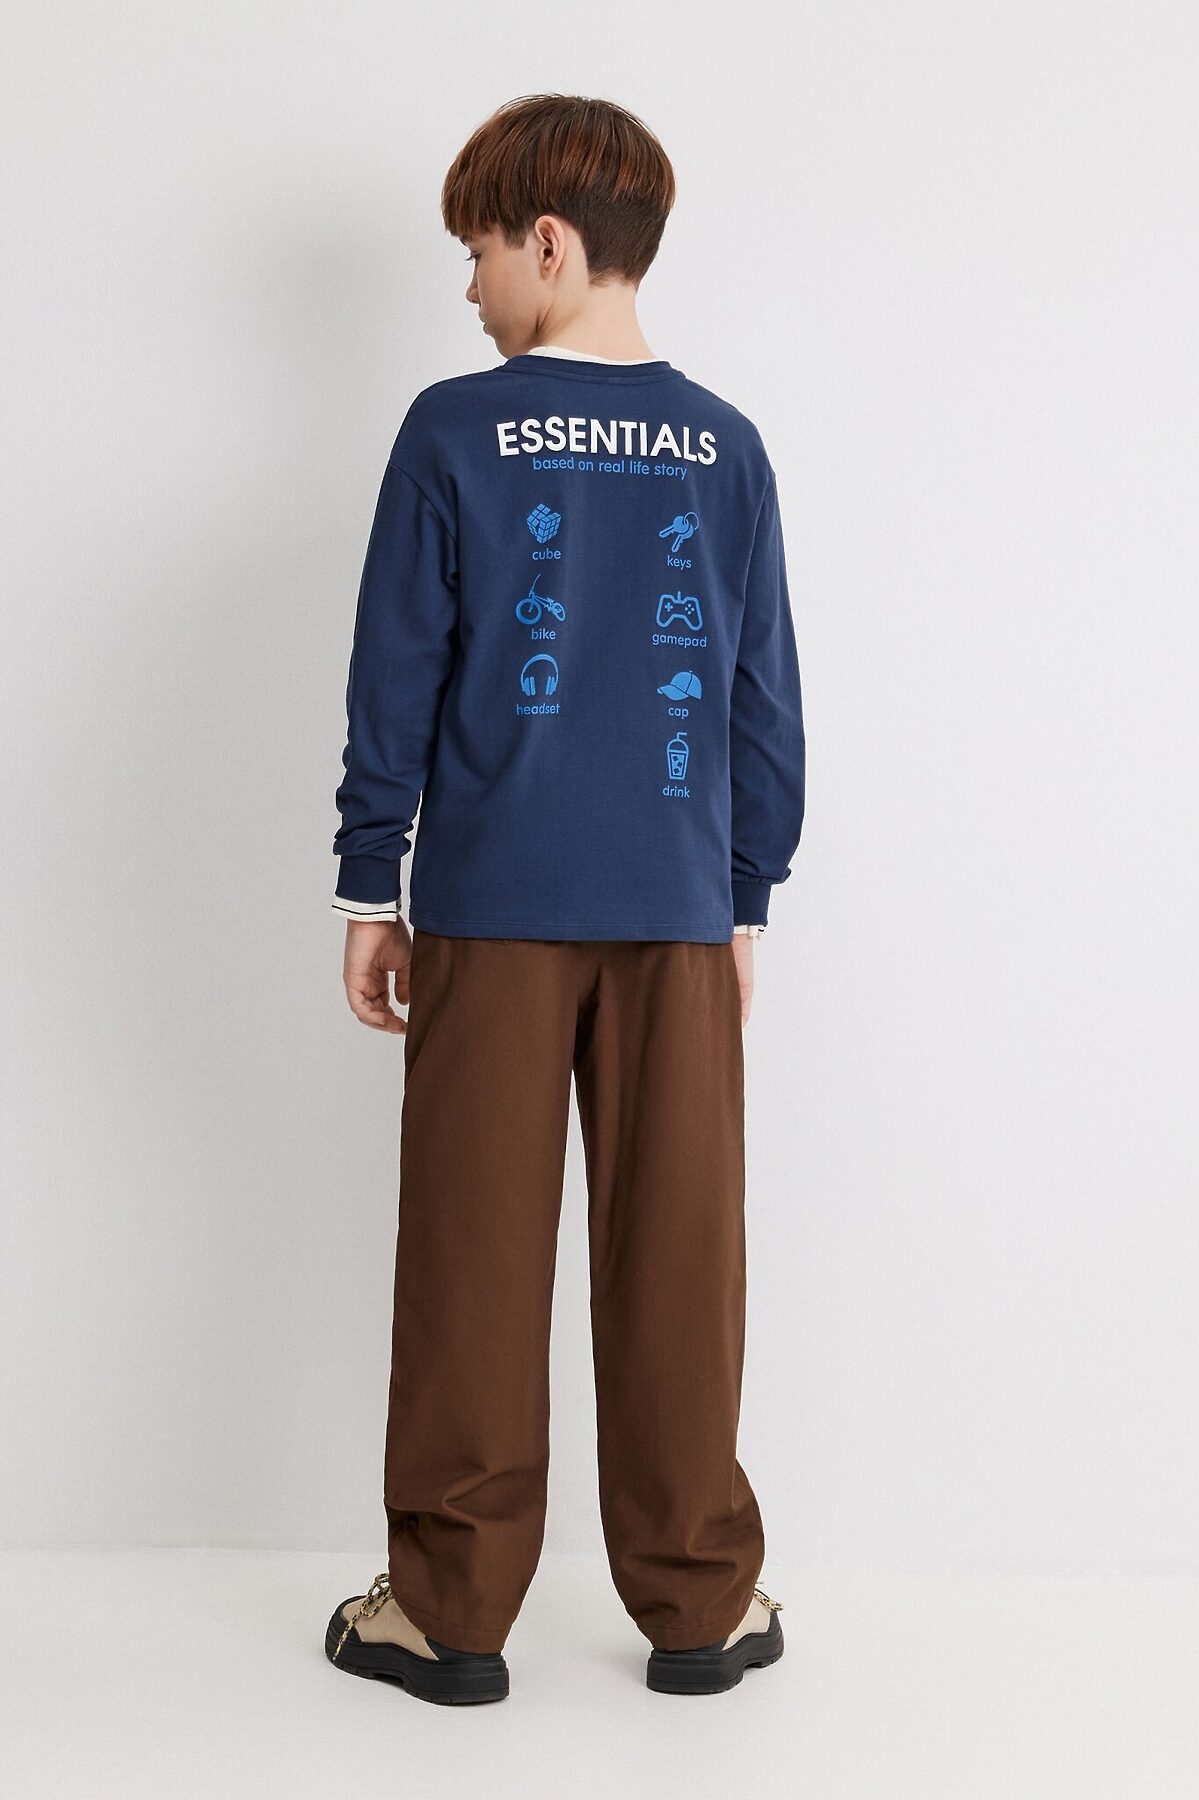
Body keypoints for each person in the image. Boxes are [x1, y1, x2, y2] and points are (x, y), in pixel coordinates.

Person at [323, 92, 805, 1705]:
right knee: (682, 1260)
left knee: (472, 1257)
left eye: (477, 252)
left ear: (547, 242)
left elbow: (398, 669)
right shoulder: (726, 446)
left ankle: (451, 1613)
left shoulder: (456, 430)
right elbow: (759, 697)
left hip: (492, 906)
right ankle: (702, 1607)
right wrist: (743, 901)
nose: (468, 289)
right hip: (676, 913)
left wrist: (368, 882)